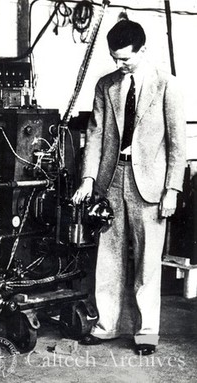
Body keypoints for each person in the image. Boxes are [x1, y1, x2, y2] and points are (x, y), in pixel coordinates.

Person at [71, 19, 186, 356]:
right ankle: (106, 326)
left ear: (143, 50)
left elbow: (177, 144)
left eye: (125, 59)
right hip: (112, 180)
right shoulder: (106, 85)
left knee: (148, 263)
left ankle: (146, 333)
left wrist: (173, 190)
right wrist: (89, 179)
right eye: (114, 58)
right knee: (108, 258)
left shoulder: (167, 86)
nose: (118, 65)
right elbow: (94, 134)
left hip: (150, 187)